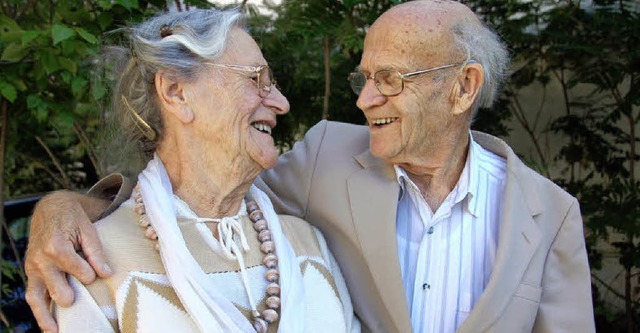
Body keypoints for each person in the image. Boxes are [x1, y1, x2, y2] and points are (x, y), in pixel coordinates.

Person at [25, 1, 595, 332]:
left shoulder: (549, 214)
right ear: (176, 93)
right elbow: (193, 190)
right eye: (363, 79)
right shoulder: (328, 159)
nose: (365, 100)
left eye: (389, 80)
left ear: (462, 88)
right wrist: (63, 207)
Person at [37, 8, 359, 333]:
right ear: (176, 93)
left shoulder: (307, 243)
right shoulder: (99, 261)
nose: (281, 102)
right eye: (255, 80)